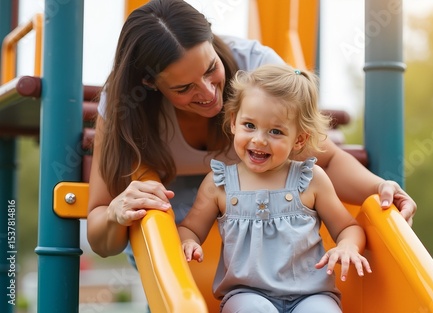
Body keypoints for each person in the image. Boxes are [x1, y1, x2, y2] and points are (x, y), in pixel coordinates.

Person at [87, 0, 416, 262]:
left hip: (266, 224)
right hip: (185, 228)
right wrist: (115, 213)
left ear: (212, 40)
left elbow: (325, 160)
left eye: (210, 69)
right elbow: (100, 234)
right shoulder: (125, 108)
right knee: (152, 223)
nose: (209, 93)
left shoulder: (256, 70)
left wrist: (383, 188)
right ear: (149, 83)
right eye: (185, 87)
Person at [178, 64, 372, 313]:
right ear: (233, 122)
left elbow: (348, 227)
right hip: (245, 293)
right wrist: (188, 242)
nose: (259, 139)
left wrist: (347, 246)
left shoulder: (310, 179)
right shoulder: (219, 184)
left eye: (276, 131)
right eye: (249, 125)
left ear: (299, 139)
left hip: (311, 293)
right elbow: (190, 228)